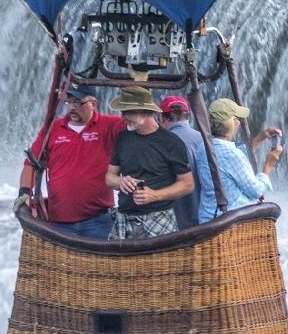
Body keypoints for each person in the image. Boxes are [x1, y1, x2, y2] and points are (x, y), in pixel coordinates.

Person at [21, 81, 123, 239]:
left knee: (101, 264)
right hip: (59, 222)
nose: (71, 107)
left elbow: (138, 126)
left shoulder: (109, 125)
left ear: (93, 104)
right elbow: (31, 163)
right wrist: (24, 193)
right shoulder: (52, 128)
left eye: (78, 102)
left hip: (99, 220)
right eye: (69, 101)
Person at [106, 86, 196, 239]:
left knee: (160, 264)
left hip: (159, 217)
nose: (122, 117)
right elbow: (109, 178)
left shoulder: (171, 142)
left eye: (127, 112)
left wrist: (155, 195)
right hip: (124, 217)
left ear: (145, 112)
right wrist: (120, 181)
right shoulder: (123, 138)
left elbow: (188, 184)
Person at [207, 97, 283, 211]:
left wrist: (261, 137)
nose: (238, 121)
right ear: (232, 123)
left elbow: (231, 161)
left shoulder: (204, 148)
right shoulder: (232, 155)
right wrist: (269, 165)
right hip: (230, 220)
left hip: (208, 214)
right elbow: (256, 191)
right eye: (236, 118)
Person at [159, 95, 215, 226]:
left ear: (162, 117)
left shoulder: (160, 144)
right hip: (208, 219)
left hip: (176, 222)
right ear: (188, 116)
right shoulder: (207, 140)